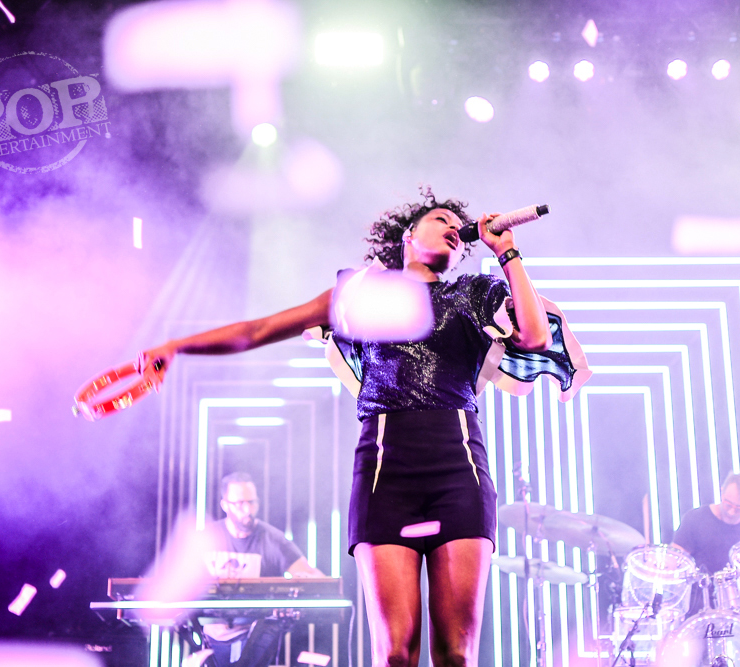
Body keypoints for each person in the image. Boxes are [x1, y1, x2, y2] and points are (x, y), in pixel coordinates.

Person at [140, 189, 586, 667]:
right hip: (383, 474)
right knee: (394, 653)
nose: (453, 229)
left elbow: (535, 336)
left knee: (456, 654)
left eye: (457, 228)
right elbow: (259, 329)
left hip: (460, 473)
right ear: (409, 235)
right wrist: (177, 346)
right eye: (440, 219)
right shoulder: (362, 295)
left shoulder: (475, 293)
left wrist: (507, 252)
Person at [199, 472, 323, 667]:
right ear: (225, 505)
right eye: (240, 503)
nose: (247, 509)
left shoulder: (272, 539)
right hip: (212, 638)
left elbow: (312, 577)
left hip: (256, 638)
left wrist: (307, 580)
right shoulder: (206, 538)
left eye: (252, 502)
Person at [672, 470, 740, 576]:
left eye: (739, 508)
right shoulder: (695, 518)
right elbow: (675, 559)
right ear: (722, 493)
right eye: (728, 504)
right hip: (699, 585)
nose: (731, 512)